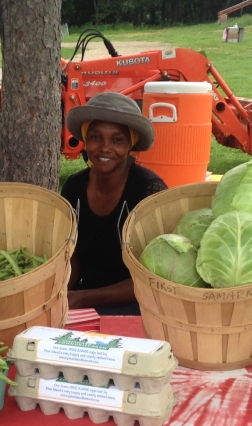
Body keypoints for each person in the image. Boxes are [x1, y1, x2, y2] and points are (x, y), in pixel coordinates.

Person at [61, 92, 168, 316]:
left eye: (117, 140)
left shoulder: (149, 188)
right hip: (82, 299)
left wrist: (81, 298)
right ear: (85, 139)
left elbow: (153, 276)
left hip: (139, 305)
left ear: (131, 144)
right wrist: (61, 292)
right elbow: (74, 255)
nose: (104, 148)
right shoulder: (75, 186)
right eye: (95, 137)